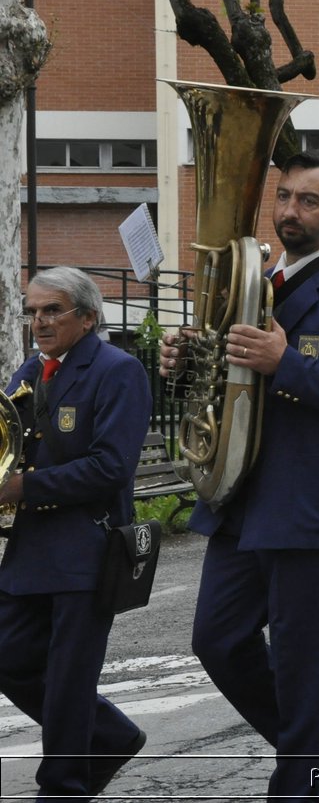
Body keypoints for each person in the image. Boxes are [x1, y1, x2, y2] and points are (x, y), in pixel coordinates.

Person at [161, 150, 319, 800]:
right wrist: (185, 358)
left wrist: (287, 360)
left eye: (310, 201)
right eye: (287, 196)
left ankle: (300, 782)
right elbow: (224, 374)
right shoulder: (253, 279)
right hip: (242, 497)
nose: (292, 210)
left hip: (310, 504)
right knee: (216, 640)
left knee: (299, 662)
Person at [0, 268, 151, 801]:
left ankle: (61, 789)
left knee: (67, 682)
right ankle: (110, 734)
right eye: (33, 311)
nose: (38, 321)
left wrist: (24, 486)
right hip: (28, 549)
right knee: (9, 659)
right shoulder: (31, 367)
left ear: (87, 317)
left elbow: (111, 468)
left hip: (88, 550)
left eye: (52, 311)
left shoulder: (118, 371)